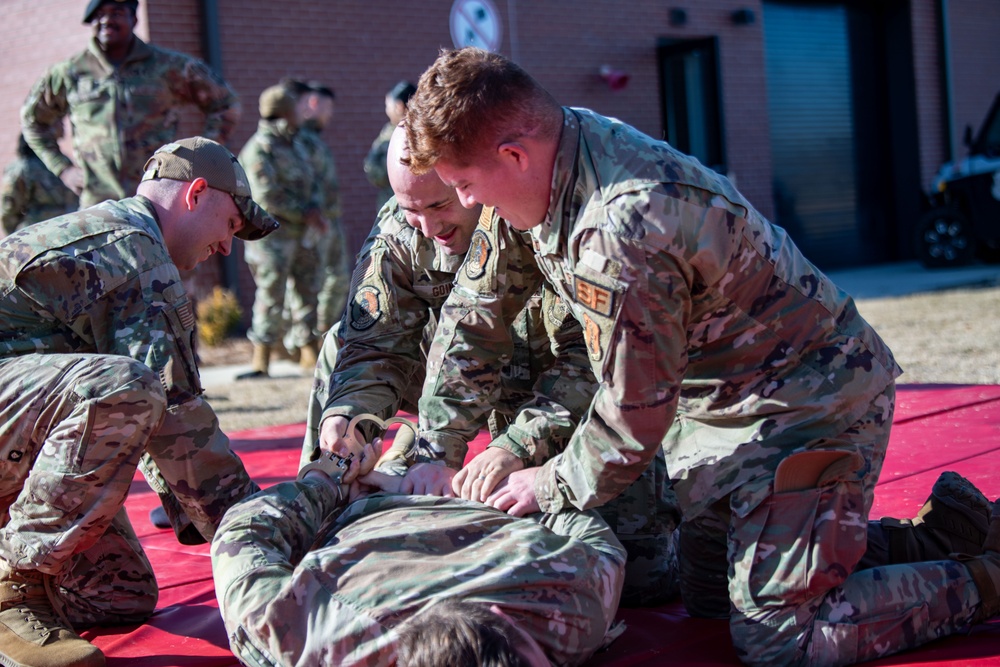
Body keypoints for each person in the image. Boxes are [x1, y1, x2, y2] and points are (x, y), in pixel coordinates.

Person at [403, 47, 1000, 665]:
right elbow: (476, 312)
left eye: (464, 186)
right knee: (712, 593)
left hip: (810, 401)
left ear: (513, 155)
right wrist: (437, 448)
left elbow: (634, 418)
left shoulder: (622, 228)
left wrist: (546, 480)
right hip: (726, 407)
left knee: (782, 636)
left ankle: (986, 580)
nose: (468, 204)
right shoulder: (554, 151)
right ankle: (949, 533)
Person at [306, 123, 679, 607]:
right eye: (410, 209)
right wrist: (351, 415)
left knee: (642, 578)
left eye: (441, 205)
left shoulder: (540, 218)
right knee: (340, 343)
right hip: (460, 376)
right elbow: (375, 341)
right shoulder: (402, 228)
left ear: (468, 180)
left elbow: (595, 361)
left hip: (559, 387)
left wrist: (517, 446)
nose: (428, 227)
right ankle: (330, 496)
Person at [0, 136, 278, 667]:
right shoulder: (133, 250)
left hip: (11, 434)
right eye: (231, 226)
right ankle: (12, 589)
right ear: (196, 194)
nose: (226, 247)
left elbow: (156, 427)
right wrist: (262, 533)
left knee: (116, 593)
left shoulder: (122, 238)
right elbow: (174, 414)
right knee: (126, 387)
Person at [211, 446, 626, 667]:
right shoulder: (573, 614)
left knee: (350, 421)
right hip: (443, 504)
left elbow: (242, 533)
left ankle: (385, 461)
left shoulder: (309, 640)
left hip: (374, 507)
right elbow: (245, 535)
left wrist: (332, 477)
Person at [20, 0, 241, 210]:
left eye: (116, 13)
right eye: (99, 15)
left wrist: (199, 158)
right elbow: (33, 122)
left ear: (134, 19)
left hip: (159, 198)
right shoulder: (69, 73)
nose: (106, 20)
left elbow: (225, 104)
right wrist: (63, 169)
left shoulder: (168, 67)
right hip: (98, 202)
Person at [238, 84, 325, 378]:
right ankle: (261, 358)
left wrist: (314, 208)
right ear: (284, 113)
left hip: (303, 235)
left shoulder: (297, 144)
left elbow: (313, 180)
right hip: (273, 238)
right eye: (295, 110)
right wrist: (304, 212)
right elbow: (266, 196)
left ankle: (309, 352)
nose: (301, 115)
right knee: (271, 295)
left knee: (307, 290)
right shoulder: (259, 149)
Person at [291, 79, 351, 333]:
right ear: (314, 103)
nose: (329, 116)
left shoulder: (312, 139)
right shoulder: (300, 141)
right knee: (314, 282)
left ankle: (323, 332)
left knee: (337, 278)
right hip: (314, 223)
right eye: (327, 109)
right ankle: (311, 337)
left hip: (328, 219)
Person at [1, 132, 78, 235]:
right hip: (51, 230)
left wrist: (12, 237)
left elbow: (8, 209)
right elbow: (9, 207)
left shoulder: (61, 163)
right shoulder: (23, 168)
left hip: (46, 231)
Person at [363, 80, 416, 210]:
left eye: (387, 105)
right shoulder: (428, 129)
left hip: (398, 204)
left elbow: (375, 170)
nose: (387, 110)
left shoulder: (394, 134)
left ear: (398, 106)